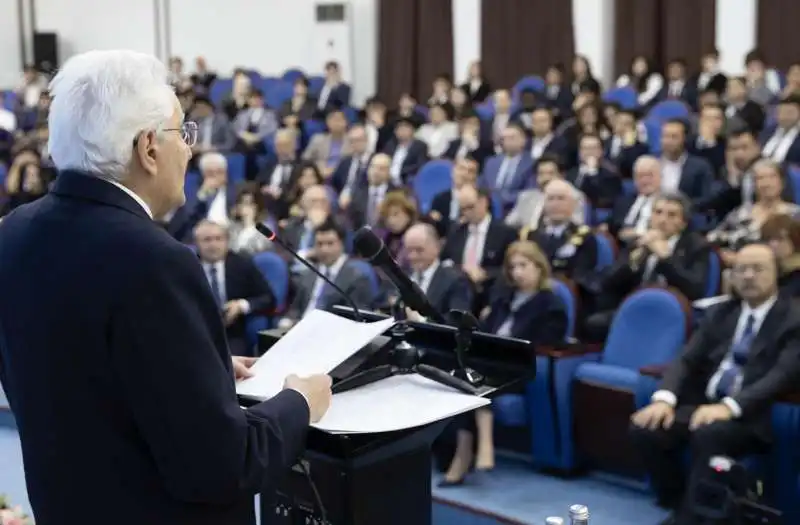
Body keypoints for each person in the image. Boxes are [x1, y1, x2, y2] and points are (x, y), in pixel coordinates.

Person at [0, 50, 332, 525]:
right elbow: (221, 467)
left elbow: (75, 373)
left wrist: (205, 367)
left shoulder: (11, 233)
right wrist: (300, 402)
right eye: (184, 133)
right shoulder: (155, 261)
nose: (190, 150)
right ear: (149, 149)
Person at [630, 243, 800, 525]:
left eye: (758, 269)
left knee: (710, 434)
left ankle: (688, 519)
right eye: (740, 269)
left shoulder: (793, 319)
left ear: (776, 275)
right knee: (645, 427)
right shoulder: (721, 312)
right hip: (705, 407)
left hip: (753, 416)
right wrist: (664, 398)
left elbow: (781, 375)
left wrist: (730, 407)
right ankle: (677, 500)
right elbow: (685, 358)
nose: (747, 276)